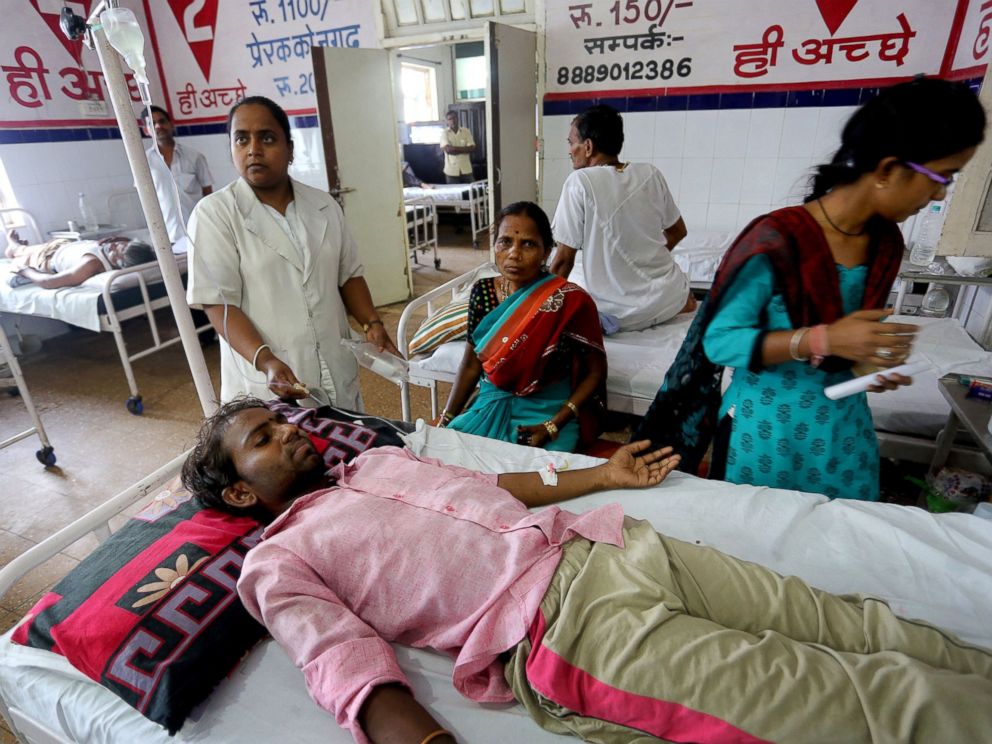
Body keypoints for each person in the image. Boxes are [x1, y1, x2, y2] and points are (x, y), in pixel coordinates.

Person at [181, 398, 992, 744]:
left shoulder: (382, 461)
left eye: (282, 421)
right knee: (852, 699)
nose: (289, 433)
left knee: (851, 622)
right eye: (263, 438)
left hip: (611, 544)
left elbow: (491, 486)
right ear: (242, 490)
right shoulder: (278, 560)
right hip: (568, 632)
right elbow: (341, 664)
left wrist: (600, 476)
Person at [633, 77, 986, 501]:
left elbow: (845, 349)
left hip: (843, 424)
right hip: (765, 430)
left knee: (841, 540)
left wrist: (865, 366)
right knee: (759, 549)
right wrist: (821, 338)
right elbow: (720, 342)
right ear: (889, 170)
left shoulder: (886, 243)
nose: (941, 194)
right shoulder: (777, 241)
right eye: (942, 177)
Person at [186, 96, 398, 408]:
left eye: (267, 138)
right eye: (241, 139)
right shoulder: (215, 214)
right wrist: (265, 360)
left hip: (333, 361)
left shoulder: (324, 206)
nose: (253, 149)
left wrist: (372, 323)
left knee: (346, 443)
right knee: (287, 450)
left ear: (290, 148)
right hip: (266, 376)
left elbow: (349, 274)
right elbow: (220, 304)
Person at [438, 202, 606, 452]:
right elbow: (472, 363)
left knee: (540, 479)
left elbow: (595, 372)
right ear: (494, 246)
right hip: (491, 403)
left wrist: (553, 425)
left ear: (546, 252)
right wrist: (447, 418)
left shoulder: (570, 300)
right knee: (449, 457)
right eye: (505, 242)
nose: (514, 253)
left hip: (547, 413)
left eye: (528, 244)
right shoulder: (483, 291)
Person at [550, 104, 694, 334]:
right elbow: (678, 232)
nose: (569, 150)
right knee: (685, 299)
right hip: (668, 298)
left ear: (588, 146)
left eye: (571, 143)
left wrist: (536, 308)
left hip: (619, 313)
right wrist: (646, 259)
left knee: (576, 284)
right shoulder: (650, 173)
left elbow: (563, 261)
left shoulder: (580, 182)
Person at [141, 105, 214, 252]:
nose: (158, 126)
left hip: (200, 233)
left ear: (171, 124)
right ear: (146, 130)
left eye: (162, 121)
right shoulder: (143, 162)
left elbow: (209, 195)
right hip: (167, 239)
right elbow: (145, 200)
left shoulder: (195, 157)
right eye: (152, 123)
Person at [5, 232, 154, 289]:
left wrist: (27, 272)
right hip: (63, 245)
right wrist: (116, 239)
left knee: (18, 252)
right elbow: (128, 243)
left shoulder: (91, 263)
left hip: (47, 257)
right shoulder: (113, 250)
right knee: (28, 249)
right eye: (120, 244)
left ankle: (14, 247)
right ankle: (21, 248)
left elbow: (49, 282)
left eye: (117, 250)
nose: (113, 245)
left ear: (119, 263)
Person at [439, 111, 476, 184]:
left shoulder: (466, 131)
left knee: (472, 193)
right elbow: (448, 150)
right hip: (451, 172)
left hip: (466, 170)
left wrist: (454, 149)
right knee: (453, 194)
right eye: (450, 119)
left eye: (454, 118)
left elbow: (472, 148)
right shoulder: (444, 133)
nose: (453, 121)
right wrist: (464, 149)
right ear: (447, 121)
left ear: (458, 119)